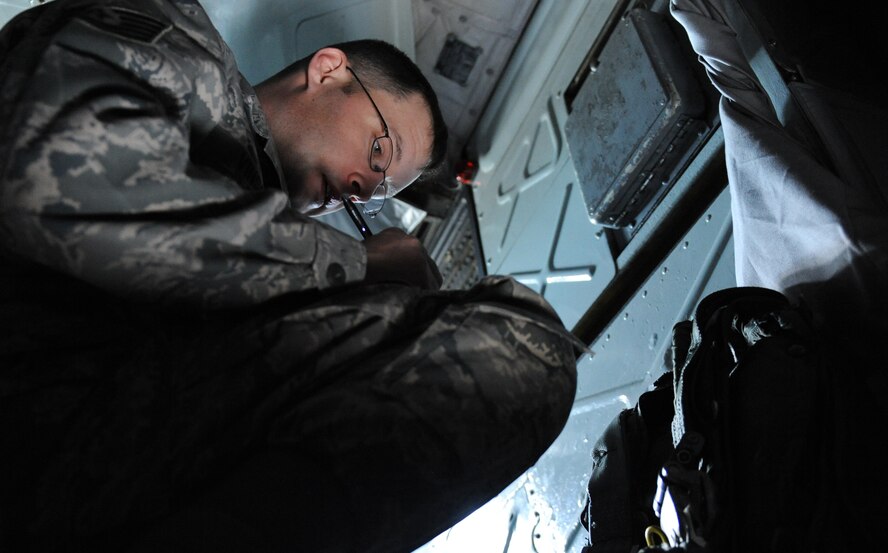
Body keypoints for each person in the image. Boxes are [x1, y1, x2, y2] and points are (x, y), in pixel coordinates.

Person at [0, 0, 581, 551]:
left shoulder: (273, 265)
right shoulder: (182, 38)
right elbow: (46, 180)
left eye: (380, 193)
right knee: (521, 345)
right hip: (39, 415)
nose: (361, 188)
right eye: (379, 152)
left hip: (98, 465)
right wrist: (358, 264)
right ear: (329, 71)